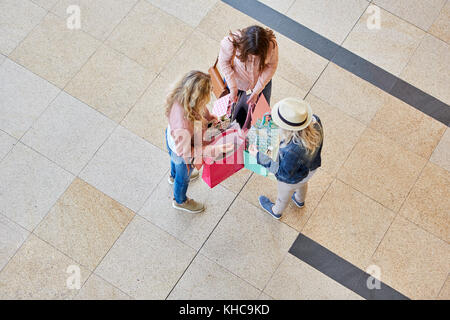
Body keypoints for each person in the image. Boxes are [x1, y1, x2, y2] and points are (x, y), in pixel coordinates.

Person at [166, 71, 232, 213]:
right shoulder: (183, 123)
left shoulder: (184, 97)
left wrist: (211, 118)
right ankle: (180, 201)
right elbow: (186, 152)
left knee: (175, 164)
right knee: (183, 178)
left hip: (174, 142)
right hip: (183, 152)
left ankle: (173, 175)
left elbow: (202, 111)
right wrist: (213, 149)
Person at [248, 98, 323, 219]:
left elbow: (282, 172)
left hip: (292, 177)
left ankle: (276, 211)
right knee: (302, 184)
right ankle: (299, 200)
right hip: (310, 169)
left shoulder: (292, 151)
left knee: (283, 196)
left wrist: (258, 155)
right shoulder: (316, 121)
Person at [218, 25, 278, 125]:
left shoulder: (271, 45)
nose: (254, 59)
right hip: (237, 82)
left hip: (262, 82)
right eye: (250, 56)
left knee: (263, 114)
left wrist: (256, 91)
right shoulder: (232, 42)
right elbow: (224, 63)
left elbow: (271, 66)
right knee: (234, 116)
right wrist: (233, 88)